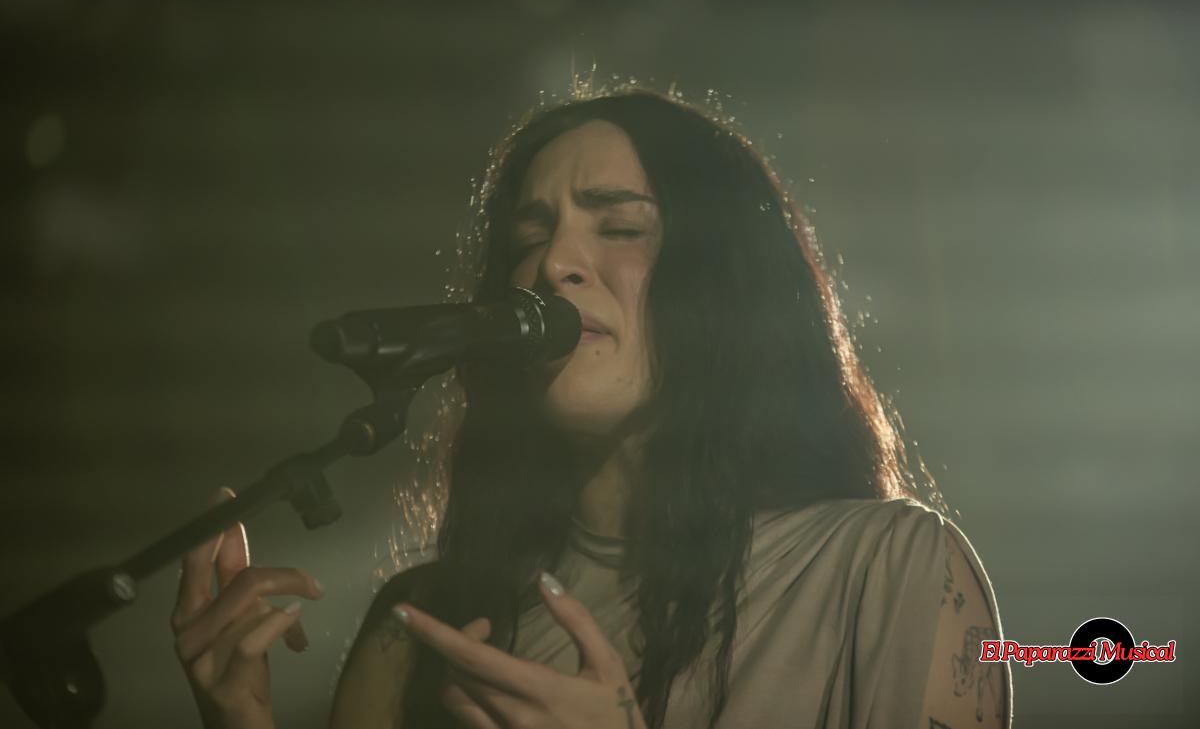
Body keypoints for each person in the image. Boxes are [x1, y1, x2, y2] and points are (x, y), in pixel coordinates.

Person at [171, 88, 1011, 729]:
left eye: (618, 227)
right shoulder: (418, 623)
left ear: (726, 283)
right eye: (528, 236)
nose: (553, 263)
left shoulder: (891, 566)